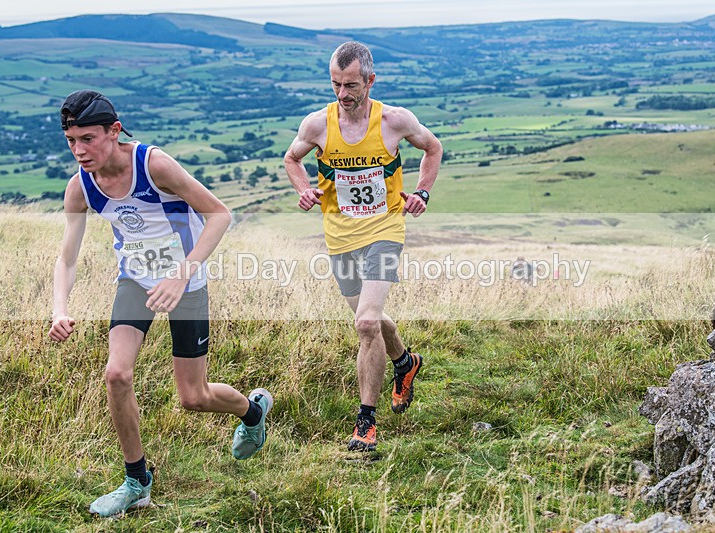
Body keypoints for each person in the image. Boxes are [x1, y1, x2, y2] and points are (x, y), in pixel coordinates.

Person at [48, 90, 272, 517]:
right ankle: (137, 482)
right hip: (135, 280)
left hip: (185, 282)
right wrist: (60, 308)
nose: (79, 150)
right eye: (71, 140)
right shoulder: (80, 189)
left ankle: (252, 409)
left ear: (115, 132)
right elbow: (67, 257)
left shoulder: (153, 165)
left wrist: (182, 272)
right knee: (116, 373)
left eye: (88, 139)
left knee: (193, 397)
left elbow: (220, 214)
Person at [283, 42, 443, 452]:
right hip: (339, 235)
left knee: (366, 324)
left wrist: (422, 193)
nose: (342, 93)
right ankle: (405, 363)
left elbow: (432, 147)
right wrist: (304, 190)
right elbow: (292, 158)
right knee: (369, 319)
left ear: (371, 81)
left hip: (386, 228)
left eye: (351, 84)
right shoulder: (317, 125)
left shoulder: (394, 120)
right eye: (335, 84)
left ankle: (365, 423)